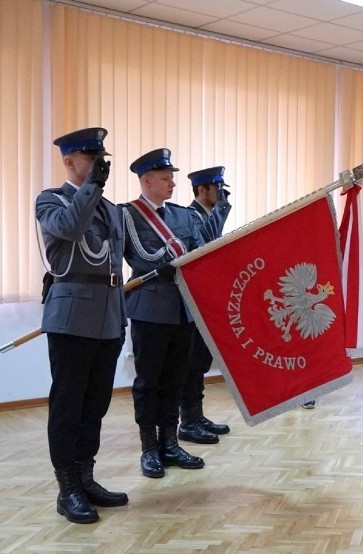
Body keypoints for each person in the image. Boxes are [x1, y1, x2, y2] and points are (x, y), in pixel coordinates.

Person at [36, 128, 127, 524]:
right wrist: (90, 186)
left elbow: (115, 264)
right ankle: (66, 488)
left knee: (96, 405)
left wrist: (121, 316)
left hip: (108, 316)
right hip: (72, 315)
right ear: (69, 161)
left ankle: (85, 476)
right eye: (92, 159)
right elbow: (72, 229)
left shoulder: (110, 208)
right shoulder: (50, 200)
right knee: (69, 405)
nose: (99, 166)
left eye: (102, 159)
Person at [121, 148, 206, 479]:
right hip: (150, 309)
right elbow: (140, 259)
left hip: (183, 310)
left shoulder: (183, 216)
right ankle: (149, 449)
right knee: (149, 382)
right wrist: (168, 265)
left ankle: (170, 443)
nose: (172, 183)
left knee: (176, 379)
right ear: (146, 180)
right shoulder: (127, 214)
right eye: (166, 178)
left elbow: (199, 252)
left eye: (172, 178)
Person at [178, 166, 233, 445]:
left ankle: (197, 416)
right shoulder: (189, 216)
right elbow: (206, 246)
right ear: (202, 190)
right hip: (190, 304)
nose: (221, 194)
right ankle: (187, 421)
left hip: (205, 301)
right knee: (190, 365)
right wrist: (222, 210)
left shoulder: (209, 216)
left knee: (200, 363)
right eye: (217, 189)